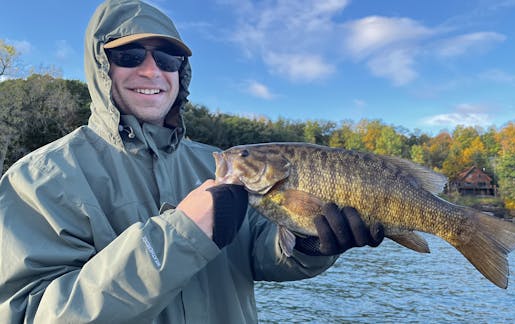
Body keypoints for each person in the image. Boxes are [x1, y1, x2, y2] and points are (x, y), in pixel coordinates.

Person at [0, 0, 384, 322]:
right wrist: (183, 234)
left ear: (180, 72)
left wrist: (308, 244)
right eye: (129, 55)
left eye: (167, 58)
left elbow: (262, 257)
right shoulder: (35, 181)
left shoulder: (220, 166)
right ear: (101, 67)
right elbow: (33, 313)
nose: (151, 70)